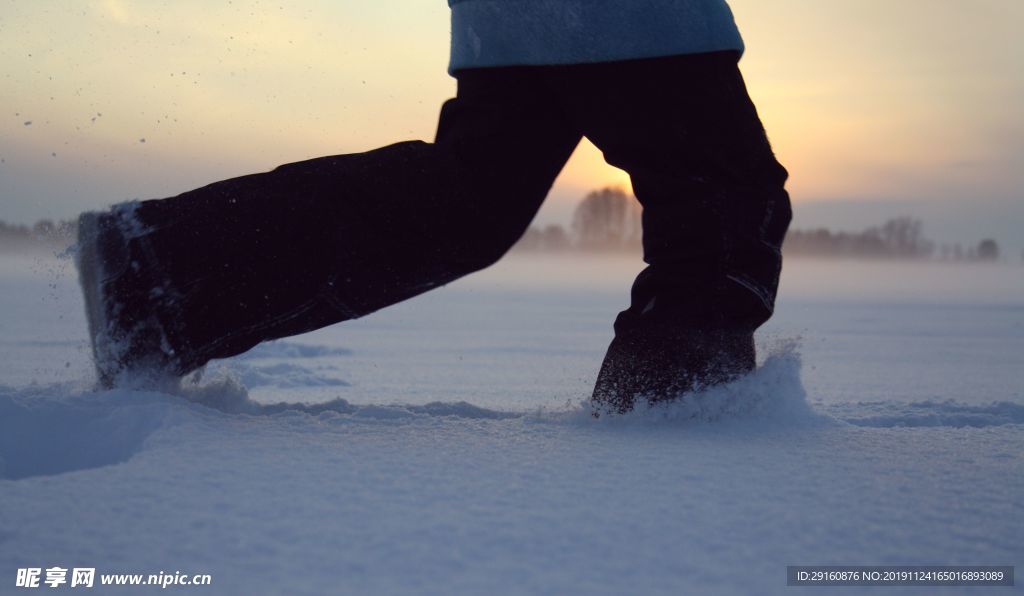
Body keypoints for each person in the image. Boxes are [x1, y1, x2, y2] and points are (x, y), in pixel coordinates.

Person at [76, 0, 791, 414]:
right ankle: (672, 422)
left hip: (515, 17)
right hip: (631, 15)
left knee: (467, 200)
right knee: (723, 195)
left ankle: (159, 273)